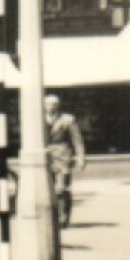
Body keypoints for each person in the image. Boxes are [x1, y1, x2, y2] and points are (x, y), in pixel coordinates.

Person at [44, 95, 87, 229]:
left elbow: (77, 140)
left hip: (63, 156)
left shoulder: (67, 119)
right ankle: (52, 218)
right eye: (49, 104)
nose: (52, 107)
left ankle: (63, 218)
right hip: (46, 157)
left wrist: (81, 157)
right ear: (44, 105)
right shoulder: (38, 119)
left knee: (62, 189)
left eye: (54, 104)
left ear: (58, 105)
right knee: (48, 188)